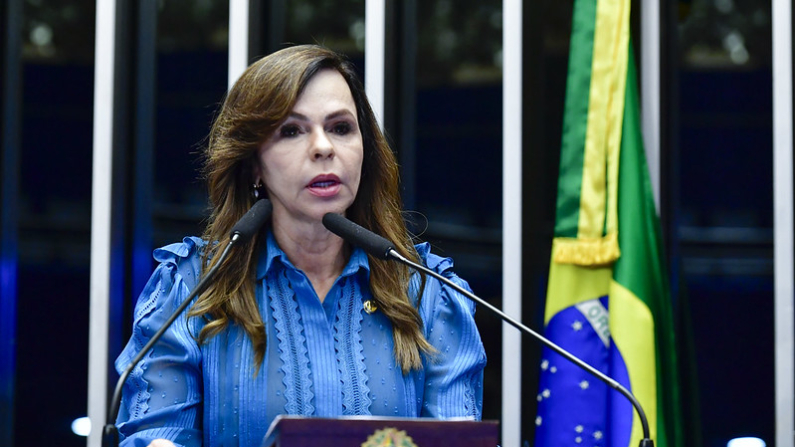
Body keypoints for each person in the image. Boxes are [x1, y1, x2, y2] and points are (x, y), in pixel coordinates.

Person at [114, 44, 486, 447]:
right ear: (254, 163)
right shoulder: (192, 289)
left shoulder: (429, 293)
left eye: (341, 127)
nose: (323, 147)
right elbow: (157, 435)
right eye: (291, 130)